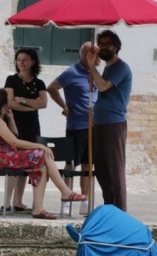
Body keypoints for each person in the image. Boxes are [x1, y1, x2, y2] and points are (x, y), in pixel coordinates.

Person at [0, 88, 87, 220]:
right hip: (0, 159)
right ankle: (65, 191)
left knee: (41, 166)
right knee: (42, 153)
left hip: (7, 156)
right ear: (3, 103)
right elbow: (15, 141)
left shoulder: (0, 119)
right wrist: (39, 145)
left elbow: (14, 134)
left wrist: (11, 117)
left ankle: (39, 209)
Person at [47, 42, 99, 216]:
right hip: (77, 125)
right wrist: (64, 106)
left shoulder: (95, 72)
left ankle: (85, 201)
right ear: (86, 54)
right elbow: (52, 87)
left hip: (94, 126)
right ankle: (67, 199)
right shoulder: (72, 72)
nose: (99, 58)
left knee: (87, 163)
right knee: (71, 163)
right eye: (96, 55)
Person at [87, 30, 132, 212]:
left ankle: (121, 211)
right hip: (100, 123)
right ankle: (109, 208)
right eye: (101, 44)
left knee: (115, 169)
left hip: (114, 124)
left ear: (116, 47)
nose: (104, 47)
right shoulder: (106, 68)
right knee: (102, 169)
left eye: (107, 44)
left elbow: (104, 87)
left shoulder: (121, 68)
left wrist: (91, 66)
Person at [1, 47, 48, 215]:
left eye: (25, 59)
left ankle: (18, 201)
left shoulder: (39, 83)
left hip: (32, 126)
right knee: (14, 161)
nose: (21, 62)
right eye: (19, 59)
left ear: (33, 62)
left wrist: (22, 100)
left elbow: (43, 103)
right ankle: (6, 202)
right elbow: (9, 102)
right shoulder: (11, 80)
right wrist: (30, 104)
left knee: (26, 162)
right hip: (14, 125)